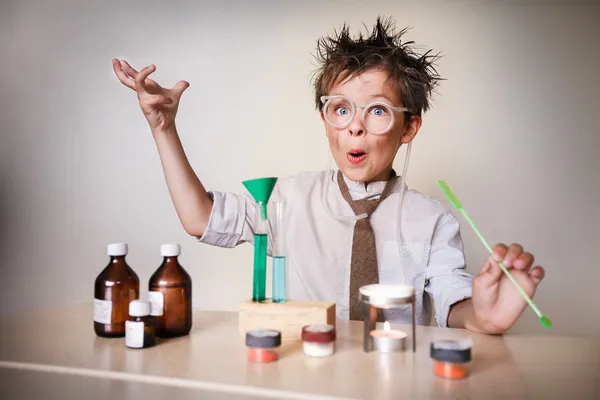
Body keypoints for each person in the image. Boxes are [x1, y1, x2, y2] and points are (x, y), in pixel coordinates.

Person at [112, 17, 545, 334]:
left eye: (377, 110)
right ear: (325, 120)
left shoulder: (433, 222)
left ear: (409, 127)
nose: (355, 126)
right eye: (341, 110)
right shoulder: (285, 200)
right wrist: (163, 128)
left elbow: (455, 304)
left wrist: (485, 314)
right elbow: (200, 218)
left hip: (392, 381)